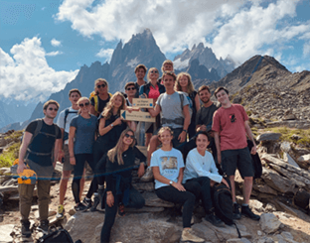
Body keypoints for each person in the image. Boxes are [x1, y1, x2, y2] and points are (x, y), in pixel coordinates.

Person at [212, 86, 260, 221]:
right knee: (231, 177)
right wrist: (219, 153)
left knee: (249, 176)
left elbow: (246, 127)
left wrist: (254, 143)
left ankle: (246, 205)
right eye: (218, 96)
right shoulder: (218, 113)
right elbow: (216, 135)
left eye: (223, 94)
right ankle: (234, 205)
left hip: (243, 147)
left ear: (228, 95)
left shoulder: (239, 108)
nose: (221, 97)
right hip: (227, 148)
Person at [150, 127, 204, 243]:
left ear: (171, 137)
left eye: (167, 135)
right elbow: (156, 175)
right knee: (190, 197)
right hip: (163, 187)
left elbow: (181, 172)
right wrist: (173, 184)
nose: (165, 138)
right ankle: (186, 232)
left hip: (176, 184)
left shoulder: (177, 153)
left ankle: (186, 209)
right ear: (159, 138)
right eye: (162, 136)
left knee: (196, 186)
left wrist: (179, 183)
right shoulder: (156, 154)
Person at [17, 100, 62, 236]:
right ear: (44, 110)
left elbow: (56, 148)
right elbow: (24, 144)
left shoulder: (56, 130)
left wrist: (53, 164)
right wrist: (20, 162)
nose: (53, 111)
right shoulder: (34, 125)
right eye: (50, 109)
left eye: (55, 109)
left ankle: (44, 222)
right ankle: (24, 223)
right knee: (26, 195)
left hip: (46, 165)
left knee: (44, 196)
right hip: (30, 163)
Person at [88, 92, 138, 211]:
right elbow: (101, 132)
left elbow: (133, 130)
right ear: (112, 100)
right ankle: (98, 195)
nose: (117, 102)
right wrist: (113, 124)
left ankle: (100, 197)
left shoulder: (123, 115)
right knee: (98, 169)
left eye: (120, 100)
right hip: (100, 146)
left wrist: (130, 117)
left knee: (105, 170)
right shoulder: (105, 114)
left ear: (122, 103)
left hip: (113, 148)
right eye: (116, 99)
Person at [141, 71, 190, 182]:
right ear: (162, 82)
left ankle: (181, 174)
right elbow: (154, 113)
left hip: (178, 127)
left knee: (180, 150)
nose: (168, 82)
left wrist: (184, 131)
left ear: (174, 81)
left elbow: (187, 115)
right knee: (153, 140)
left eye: (170, 80)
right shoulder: (161, 97)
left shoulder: (181, 96)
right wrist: (146, 103)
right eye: (166, 80)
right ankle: (150, 168)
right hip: (164, 127)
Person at [100, 129, 146, 243]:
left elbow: (143, 157)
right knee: (109, 221)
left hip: (126, 186)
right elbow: (108, 175)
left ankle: (121, 203)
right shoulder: (112, 153)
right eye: (127, 135)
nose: (129, 138)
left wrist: (141, 164)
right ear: (122, 136)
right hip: (114, 186)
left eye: (131, 137)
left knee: (140, 202)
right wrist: (109, 193)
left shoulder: (132, 150)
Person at [183, 131, 229, 227]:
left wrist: (216, 179)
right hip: (190, 182)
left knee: (222, 182)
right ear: (196, 142)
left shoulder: (209, 155)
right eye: (199, 140)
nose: (201, 143)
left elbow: (214, 170)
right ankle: (209, 212)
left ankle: (225, 212)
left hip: (204, 182)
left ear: (208, 143)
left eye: (204, 140)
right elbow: (200, 172)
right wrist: (219, 178)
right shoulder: (192, 154)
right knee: (205, 180)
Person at [56, 89, 86, 219]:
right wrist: (60, 150)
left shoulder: (85, 112)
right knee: (66, 174)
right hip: (68, 145)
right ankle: (60, 204)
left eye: (77, 96)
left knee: (82, 174)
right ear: (69, 98)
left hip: (82, 146)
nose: (74, 98)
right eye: (72, 96)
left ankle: (78, 201)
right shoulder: (65, 113)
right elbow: (60, 132)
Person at [69, 97, 98, 211]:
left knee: (99, 173)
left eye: (86, 104)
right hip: (79, 151)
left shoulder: (95, 119)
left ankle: (87, 197)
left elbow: (96, 134)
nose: (84, 106)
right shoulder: (75, 120)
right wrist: (71, 155)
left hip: (92, 151)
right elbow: (71, 138)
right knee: (77, 176)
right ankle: (77, 202)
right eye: (81, 105)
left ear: (90, 105)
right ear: (78, 106)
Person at [139, 67, 165, 146]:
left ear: (158, 75)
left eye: (156, 71)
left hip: (159, 112)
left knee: (158, 134)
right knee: (148, 135)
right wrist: (154, 100)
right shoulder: (143, 87)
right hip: (147, 112)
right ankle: (147, 153)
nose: (154, 73)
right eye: (151, 72)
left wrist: (149, 100)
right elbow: (141, 100)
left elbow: (163, 99)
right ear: (148, 75)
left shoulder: (162, 87)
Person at [175, 72, 200, 139]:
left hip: (192, 120)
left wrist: (198, 122)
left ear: (188, 81)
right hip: (180, 121)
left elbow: (198, 108)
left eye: (185, 79)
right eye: (181, 79)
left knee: (193, 139)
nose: (183, 81)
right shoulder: (175, 94)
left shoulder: (194, 93)